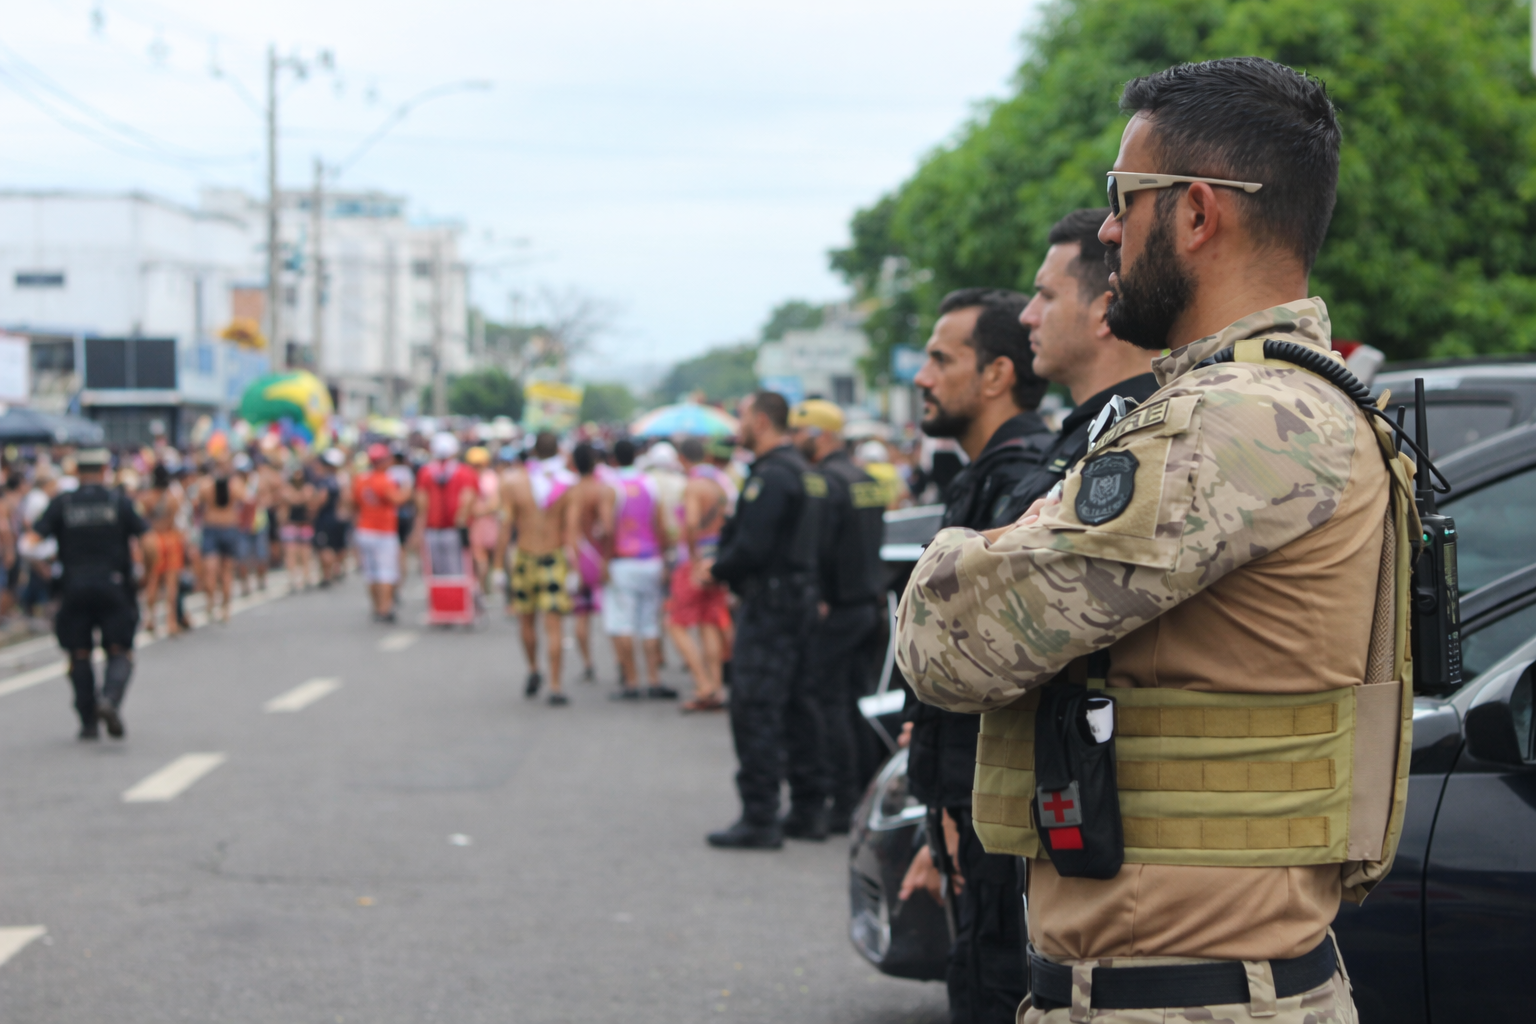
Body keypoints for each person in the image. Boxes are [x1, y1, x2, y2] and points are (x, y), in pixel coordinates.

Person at [900, 58, 1388, 1024]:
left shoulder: (1238, 424)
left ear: (1199, 213)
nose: (1110, 231)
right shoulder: (1282, 402)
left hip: (1180, 997)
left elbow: (945, 645)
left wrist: (952, 559)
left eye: (1123, 200)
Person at [902, 286, 1052, 1024]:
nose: (922, 377)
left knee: (996, 993)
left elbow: (991, 660)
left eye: (940, 358)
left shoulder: (1022, 479)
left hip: (996, 831)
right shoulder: (985, 473)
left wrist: (961, 814)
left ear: (995, 374)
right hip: (968, 819)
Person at [700, 392, 824, 849]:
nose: (738, 424)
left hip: (772, 606)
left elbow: (752, 546)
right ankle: (809, 809)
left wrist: (715, 569)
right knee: (798, 706)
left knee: (756, 708)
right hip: (799, 601)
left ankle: (760, 816)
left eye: (742, 416)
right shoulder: (802, 472)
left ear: (760, 420)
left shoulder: (773, 476)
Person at [992, 208, 1160, 523]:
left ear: (1105, 312)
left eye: (1046, 295)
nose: (1027, 316)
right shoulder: (1083, 431)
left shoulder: (1137, 435)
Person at [788, 400, 888, 836]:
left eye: (799, 432)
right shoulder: (865, 478)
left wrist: (820, 597)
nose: (794, 441)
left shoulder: (825, 482)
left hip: (839, 608)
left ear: (820, 435)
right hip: (870, 605)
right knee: (854, 701)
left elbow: (819, 549)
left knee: (825, 702)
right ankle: (863, 793)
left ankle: (842, 798)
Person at [30, 450, 146, 739]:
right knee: (120, 650)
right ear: (105, 469)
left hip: (73, 587)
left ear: (77, 471)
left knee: (79, 654)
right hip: (114, 585)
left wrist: (46, 570)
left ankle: (88, 720)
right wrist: (147, 576)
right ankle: (109, 699)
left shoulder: (62, 503)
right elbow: (151, 542)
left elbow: (30, 543)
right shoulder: (119, 502)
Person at [499, 431, 577, 705]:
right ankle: (555, 685)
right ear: (558, 450)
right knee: (554, 625)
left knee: (526, 620)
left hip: (524, 556)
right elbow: (571, 532)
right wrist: (576, 570)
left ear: (533, 452)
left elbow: (506, 526)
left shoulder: (515, 482)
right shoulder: (568, 484)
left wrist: (499, 567)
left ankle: (533, 668)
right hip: (553, 558)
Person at [600, 439, 674, 700]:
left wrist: (605, 561)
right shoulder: (650, 484)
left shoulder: (611, 487)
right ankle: (654, 680)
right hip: (651, 560)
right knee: (649, 624)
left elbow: (608, 529)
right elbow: (661, 525)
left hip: (623, 561)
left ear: (614, 459)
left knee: (624, 624)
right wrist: (664, 559)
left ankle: (631, 682)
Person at [666, 437, 734, 713]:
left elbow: (692, 523)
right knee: (708, 621)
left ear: (682, 459)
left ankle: (703, 683)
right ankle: (716, 687)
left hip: (695, 560)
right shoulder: (718, 483)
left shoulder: (693, 486)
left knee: (676, 623)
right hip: (715, 556)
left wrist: (694, 558)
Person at [567, 442, 614, 685]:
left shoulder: (572, 492)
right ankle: (621, 663)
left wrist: (573, 564)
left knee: (581, 614)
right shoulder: (601, 490)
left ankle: (587, 663)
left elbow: (570, 529)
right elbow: (606, 527)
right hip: (598, 555)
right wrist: (607, 558)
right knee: (612, 614)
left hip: (580, 555)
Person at [416, 432, 479, 583]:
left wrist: (420, 527)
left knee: (437, 571)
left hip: (433, 528)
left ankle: (442, 602)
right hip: (455, 528)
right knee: (457, 569)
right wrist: (462, 519)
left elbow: (421, 502)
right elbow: (468, 498)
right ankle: (456, 602)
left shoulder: (426, 471)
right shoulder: (464, 471)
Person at [353, 443, 405, 622]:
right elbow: (396, 499)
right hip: (382, 530)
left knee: (371, 572)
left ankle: (376, 607)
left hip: (364, 529)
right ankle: (385, 608)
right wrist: (407, 489)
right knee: (385, 572)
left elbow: (353, 502)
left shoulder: (361, 479)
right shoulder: (383, 479)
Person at [197, 452, 247, 623]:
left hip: (229, 528)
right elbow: (197, 502)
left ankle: (226, 607)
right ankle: (210, 601)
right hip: (211, 528)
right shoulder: (206, 483)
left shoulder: (236, 484)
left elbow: (245, 500)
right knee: (210, 570)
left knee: (227, 571)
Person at [139, 463, 184, 636]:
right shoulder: (174, 498)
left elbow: (142, 520)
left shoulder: (146, 498)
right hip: (171, 538)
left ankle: (150, 618)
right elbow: (175, 520)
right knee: (171, 583)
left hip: (153, 539)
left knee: (152, 580)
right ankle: (171, 621)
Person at [464, 446, 501, 592]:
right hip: (487, 522)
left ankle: (481, 588)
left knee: (481, 557)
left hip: (481, 522)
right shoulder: (491, 477)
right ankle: (483, 588)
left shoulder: (486, 478)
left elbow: (494, 503)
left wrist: (475, 512)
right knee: (484, 558)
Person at [311, 448, 350, 587]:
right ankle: (337, 570)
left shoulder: (326, 480)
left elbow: (321, 498)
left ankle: (328, 575)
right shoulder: (342, 479)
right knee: (338, 546)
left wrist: (312, 510)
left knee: (324, 547)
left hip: (326, 518)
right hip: (338, 518)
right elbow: (346, 499)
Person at [279, 465, 316, 591]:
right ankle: (292, 579)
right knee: (291, 553)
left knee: (305, 553)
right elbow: (291, 499)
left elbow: (305, 499)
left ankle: (307, 577)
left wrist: (297, 497)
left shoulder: (308, 487)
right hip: (291, 523)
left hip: (304, 523)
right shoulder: (287, 488)